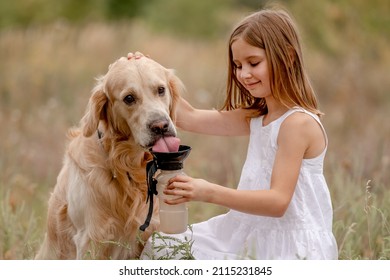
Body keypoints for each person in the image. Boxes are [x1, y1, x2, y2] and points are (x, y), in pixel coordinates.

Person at [130, 6, 338, 260]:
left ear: (288, 57)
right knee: (163, 248)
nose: (244, 74)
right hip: (252, 231)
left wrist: (207, 191)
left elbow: (278, 202)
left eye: (254, 63)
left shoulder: (297, 124)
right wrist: (148, 70)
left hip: (289, 245)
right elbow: (189, 117)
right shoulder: (258, 117)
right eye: (238, 65)